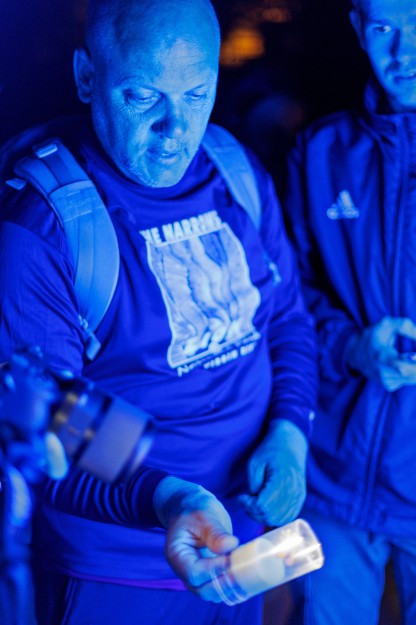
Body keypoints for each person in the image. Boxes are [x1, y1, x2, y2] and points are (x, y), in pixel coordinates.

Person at [0, 1, 317, 624]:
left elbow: (285, 321)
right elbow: (46, 427)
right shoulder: (45, 229)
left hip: (242, 547)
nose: (175, 129)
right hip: (116, 576)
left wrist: (290, 432)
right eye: (142, 96)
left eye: (197, 95)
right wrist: (165, 497)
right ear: (87, 77)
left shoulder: (233, 169)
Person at [283, 0, 416, 623]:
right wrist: (353, 347)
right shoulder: (317, 153)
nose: (404, 54)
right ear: (359, 29)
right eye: (386, 28)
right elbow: (287, 302)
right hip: (330, 481)